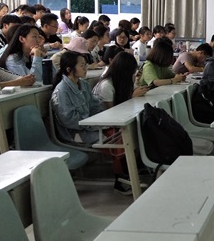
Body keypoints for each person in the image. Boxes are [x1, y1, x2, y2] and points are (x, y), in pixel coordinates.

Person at [92, 52, 150, 194]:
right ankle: (120, 178)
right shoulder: (106, 85)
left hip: (115, 122)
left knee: (142, 127)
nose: (132, 75)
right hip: (101, 124)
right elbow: (112, 114)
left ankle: (136, 165)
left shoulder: (119, 82)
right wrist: (131, 97)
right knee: (122, 138)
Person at [50, 51, 102, 146]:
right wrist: (93, 125)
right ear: (69, 69)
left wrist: (101, 121)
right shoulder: (61, 91)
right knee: (110, 138)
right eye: (82, 66)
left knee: (117, 132)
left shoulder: (84, 85)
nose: (85, 68)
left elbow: (95, 106)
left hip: (89, 127)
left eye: (85, 65)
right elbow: (69, 121)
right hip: (75, 134)